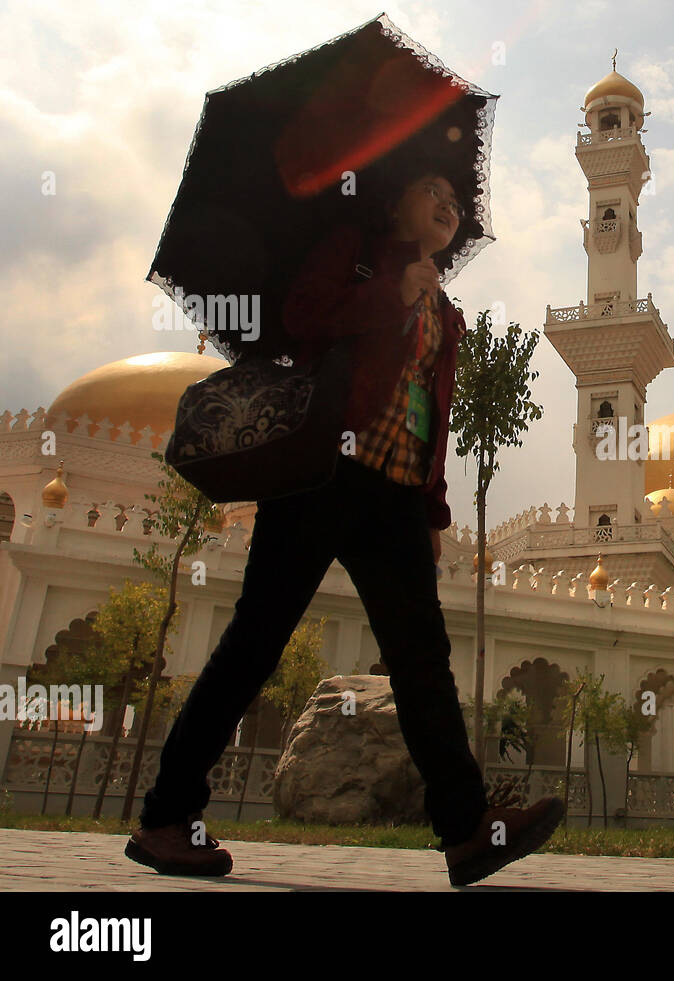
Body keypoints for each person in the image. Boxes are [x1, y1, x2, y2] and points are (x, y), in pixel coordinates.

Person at [125, 160, 564, 887]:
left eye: (456, 200)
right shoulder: (352, 250)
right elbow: (303, 318)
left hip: (392, 494)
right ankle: (168, 816)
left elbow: (432, 414)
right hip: (324, 472)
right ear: (399, 203)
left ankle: (466, 830)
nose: (449, 205)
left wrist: (433, 510)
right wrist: (387, 291)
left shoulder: (447, 313)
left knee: (422, 662)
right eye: (436, 191)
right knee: (254, 642)